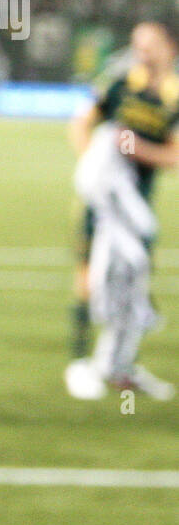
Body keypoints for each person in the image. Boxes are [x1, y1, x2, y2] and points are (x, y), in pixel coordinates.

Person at [66, 20, 178, 399]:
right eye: (137, 44)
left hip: (137, 207)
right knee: (88, 276)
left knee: (132, 284)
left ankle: (119, 367)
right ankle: (79, 363)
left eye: (150, 45)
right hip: (102, 202)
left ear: (170, 48)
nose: (142, 52)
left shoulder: (173, 97)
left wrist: (131, 150)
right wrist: (96, 167)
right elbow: (82, 124)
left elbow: (174, 154)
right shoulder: (117, 83)